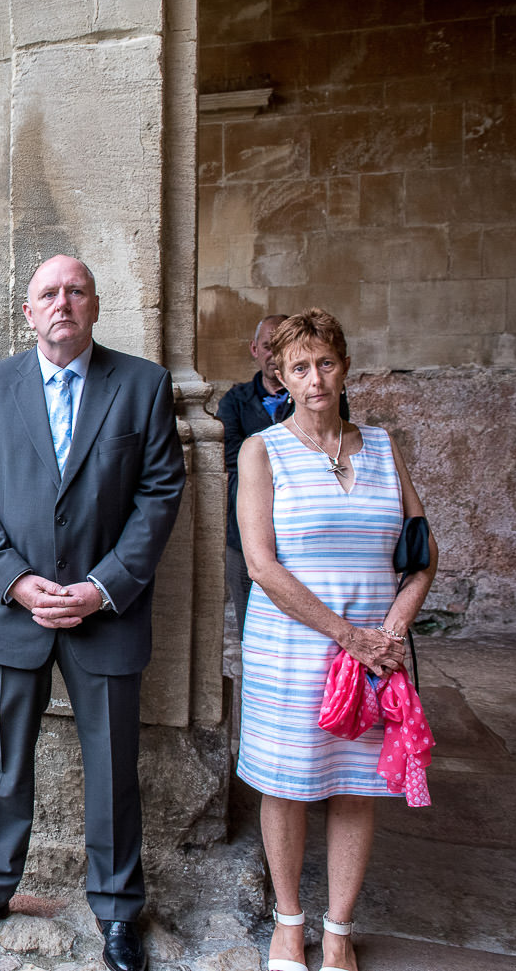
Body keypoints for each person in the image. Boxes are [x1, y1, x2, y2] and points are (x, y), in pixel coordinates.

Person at [0, 255, 186, 971]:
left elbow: (160, 493)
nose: (62, 303)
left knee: (113, 766)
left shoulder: (142, 386)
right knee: (2, 759)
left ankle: (117, 910)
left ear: (95, 305)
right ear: (28, 311)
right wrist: (15, 580)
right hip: (14, 611)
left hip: (106, 612)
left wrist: (106, 585)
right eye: (48, 292)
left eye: (76, 291)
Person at [236, 309, 436, 971]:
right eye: (299, 366)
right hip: (292, 649)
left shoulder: (382, 445)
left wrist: (391, 631)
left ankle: (340, 930)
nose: (314, 378)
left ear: (344, 366)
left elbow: (423, 552)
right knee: (288, 785)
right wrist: (348, 634)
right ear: (281, 375)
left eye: (325, 362)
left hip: (374, 653)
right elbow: (261, 563)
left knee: (355, 787)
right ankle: (288, 925)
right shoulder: (261, 449)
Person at [217, 315, 289, 643]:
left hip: (296, 529)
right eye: (268, 346)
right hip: (242, 530)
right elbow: (231, 457)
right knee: (251, 624)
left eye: (284, 345)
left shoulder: (313, 397)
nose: (275, 354)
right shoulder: (234, 401)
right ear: (254, 350)